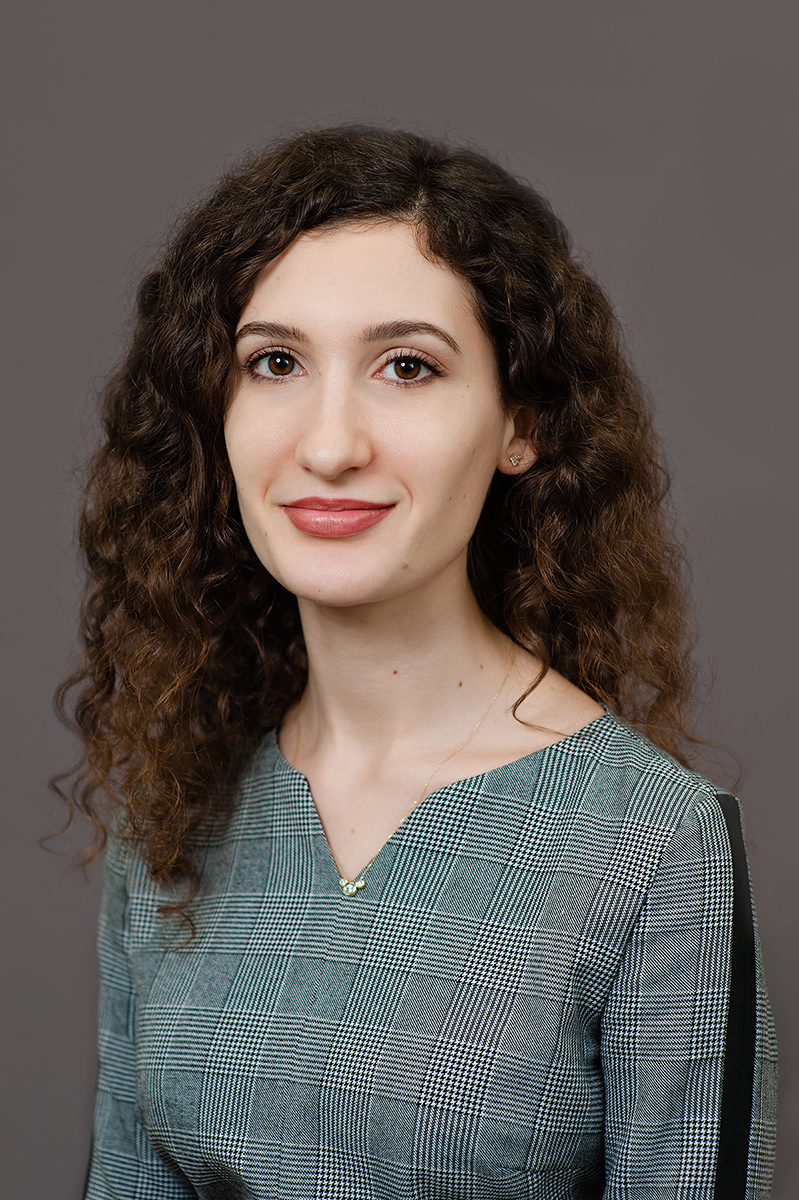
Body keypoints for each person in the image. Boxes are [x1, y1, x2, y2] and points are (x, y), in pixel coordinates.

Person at [57, 126, 777, 1198]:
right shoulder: (173, 810)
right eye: (275, 363)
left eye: (407, 367)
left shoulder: (651, 843)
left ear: (520, 423)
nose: (329, 444)